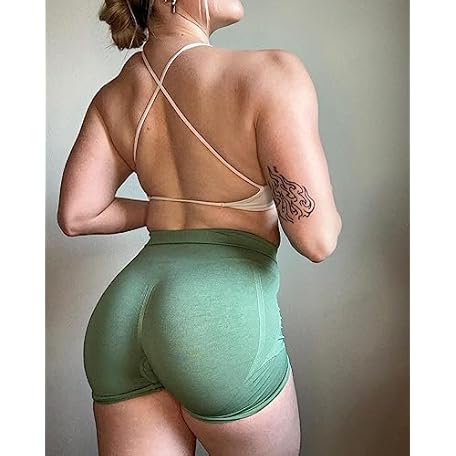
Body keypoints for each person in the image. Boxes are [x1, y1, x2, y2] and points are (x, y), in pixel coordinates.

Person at [57, 0, 342, 454]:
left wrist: (163, 209)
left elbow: (78, 215)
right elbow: (317, 239)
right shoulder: (271, 74)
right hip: (214, 317)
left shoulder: (114, 96)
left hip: (123, 315)